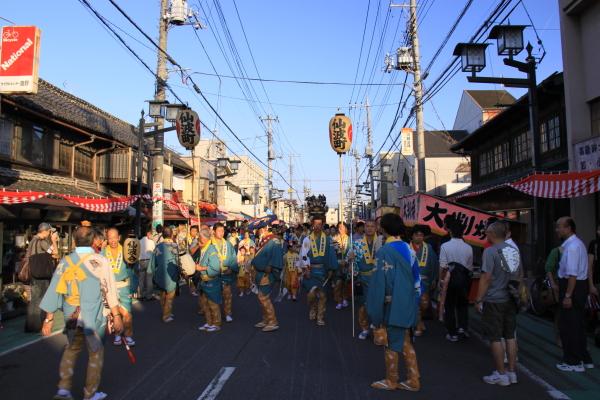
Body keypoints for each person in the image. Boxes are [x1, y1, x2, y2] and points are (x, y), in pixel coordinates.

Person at [40, 226, 123, 400]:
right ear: (93, 241)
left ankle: (64, 389)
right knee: (95, 352)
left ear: (74, 241)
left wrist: (48, 319)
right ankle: (90, 393)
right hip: (92, 315)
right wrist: (116, 316)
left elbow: (54, 290)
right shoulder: (100, 261)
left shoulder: (65, 261)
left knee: (71, 348)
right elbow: (110, 291)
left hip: (71, 314)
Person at [367, 213, 420, 392]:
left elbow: (378, 285)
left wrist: (375, 312)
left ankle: (392, 380)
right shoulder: (409, 249)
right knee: (405, 341)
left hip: (391, 304)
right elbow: (417, 279)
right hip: (407, 301)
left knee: (390, 343)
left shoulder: (384, 251)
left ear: (383, 229)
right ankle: (413, 379)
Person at [475, 222, 521, 386]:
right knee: (510, 336)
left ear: (493, 234)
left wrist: (479, 299)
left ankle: (501, 374)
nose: (486, 235)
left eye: (487, 232)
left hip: (494, 298)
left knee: (495, 337)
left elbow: (486, 277)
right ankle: (512, 372)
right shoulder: (513, 250)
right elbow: (519, 275)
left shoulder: (490, 251)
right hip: (510, 298)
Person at [555, 216, 594, 372]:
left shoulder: (572, 247)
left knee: (569, 326)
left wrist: (568, 295)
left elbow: (572, 274)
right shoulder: (577, 244)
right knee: (577, 325)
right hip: (579, 287)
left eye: (559, 227)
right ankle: (584, 358)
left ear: (568, 228)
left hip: (572, 287)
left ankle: (573, 361)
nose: (557, 230)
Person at [439, 218, 473, 342]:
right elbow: (469, 267)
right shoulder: (468, 247)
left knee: (449, 305)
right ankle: (463, 327)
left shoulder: (445, 246)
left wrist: (440, 280)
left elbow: (443, 266)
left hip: (449, 279)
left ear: (450, 231)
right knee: (462, 304)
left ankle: (452, 333)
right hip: (464, 279)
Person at [299, 215, 338, 326]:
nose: (317, 226)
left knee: (322, 295)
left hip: (323, 270)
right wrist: (306, 269)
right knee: (311, 294)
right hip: (311, 270)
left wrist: (331, 269)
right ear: (312, 225)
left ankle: (320, 316)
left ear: (322, 225)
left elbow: (331, 255)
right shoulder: (307, 239)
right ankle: (313, 308)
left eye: (319, 224)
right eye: (315, 224)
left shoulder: (327, 239)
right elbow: (303, 255)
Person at [102, 228, 135, 347]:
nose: (112, 240)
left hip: (124, 285)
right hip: (109, 287)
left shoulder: (127, 250)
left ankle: (128, 335)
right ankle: (117, 334)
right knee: (114, 313)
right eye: (110, 238)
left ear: (119, 237)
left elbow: (132, 269)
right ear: (107, 239)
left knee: (127, 314)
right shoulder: (102, 253)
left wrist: (134, 286)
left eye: (115, 237)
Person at [25, 222, 58, 332]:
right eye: (49, 232)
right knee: (42, 299)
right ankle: (39, 325)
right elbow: (55, 253)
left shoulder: (32, 241)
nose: (49, 234)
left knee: (34, 300)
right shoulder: (42, 242)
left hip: (34, 274)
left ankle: (31, 325)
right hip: (42, 275)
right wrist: (54, 240)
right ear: (45, 231)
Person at [348, 220, 378, 340]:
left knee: (377, 305)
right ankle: (364, 328)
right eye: (367, 226)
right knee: (362, 306)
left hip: (377, 279)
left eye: (372, 226)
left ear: (376, 228)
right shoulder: (357, 243)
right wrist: (350, 259)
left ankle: (377, 328)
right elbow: (351, 262)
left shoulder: (381, 243)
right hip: (362, 278)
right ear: (364, 228)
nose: (370, 228)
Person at [251, 222, 283, 332]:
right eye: (258, 230)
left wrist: (271, 266)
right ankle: (266, 319)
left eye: (260, 229)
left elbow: (277, 256)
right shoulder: (263, 240)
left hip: (267, 274)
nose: (258, 231)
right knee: (261, 298)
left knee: (263, 297)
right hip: (259, 273)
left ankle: (273, 321)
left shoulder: (274, 240)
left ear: (265, 228)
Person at [410, 225, 438, 336]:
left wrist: (434, 278)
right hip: (410, 280)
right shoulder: (406, 247)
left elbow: (434, 263)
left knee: (423, 304)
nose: (419, 237)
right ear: (412, 236)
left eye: (421, 235)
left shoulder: (429, 248)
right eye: (417, 235)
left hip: (425, 281)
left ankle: (419, 321)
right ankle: (417, 324)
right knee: (413, 303)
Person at [148, 226, 180, 323]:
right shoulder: (174, 246)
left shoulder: (158, 247)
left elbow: (152, 262)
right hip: (171, 273)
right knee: (170, 296)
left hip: (160, 273)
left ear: (162, 235)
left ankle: (166, 312)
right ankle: (166, 315)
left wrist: (151, 272)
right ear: (171, 234)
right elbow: (178, 260)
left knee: (162, 294)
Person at [197, 227, 223, 332]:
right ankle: (209, 322)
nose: (199, 240)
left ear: (204, 238)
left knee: (213, 303)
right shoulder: (205, 248)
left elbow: (215, 267)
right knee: (205, 303)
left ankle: (216, 323)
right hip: (204, 280)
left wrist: (201, 268)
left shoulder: (211, 249)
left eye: (199, 238)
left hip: (211, 280)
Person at [212, 223, 239, 323]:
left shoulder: (228, 244)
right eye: (219, 231)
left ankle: (227, 313)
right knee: (213, 297)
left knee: (227, 295)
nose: (221, 233)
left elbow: (233, 258)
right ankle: (215, 316)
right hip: (213, 274)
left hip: (225, 274)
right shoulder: (209, 244)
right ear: (214, 231)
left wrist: (231, 268)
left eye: (223, 231)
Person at [333, 222, 351, 310]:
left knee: (345, 283)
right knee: (338, 284)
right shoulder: (334, 239)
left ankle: (344, 298)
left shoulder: (349, 239)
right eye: (339, 227)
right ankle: (338, 300)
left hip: (346, 264)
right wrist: (337, 261)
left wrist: (346, 260)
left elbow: (351, 251)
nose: (341, 229)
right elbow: (332, 252)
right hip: (337, 264)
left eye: (343, 227)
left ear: (346, 229)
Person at [138, 230, 155, 301]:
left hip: (141, 261)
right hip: (149, 261)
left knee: (141, 279)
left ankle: (141, 295)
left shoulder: (139, 242)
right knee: (149, 279)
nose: (152, 236)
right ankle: (149, 296)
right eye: (151, 234)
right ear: (148, 234)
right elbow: (154, 251)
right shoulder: (151, 242)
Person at [237, 230, 255, 296]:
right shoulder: (241, 242)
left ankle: (248, 289)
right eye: (245, 234)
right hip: (241, 259)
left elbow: (253, 250)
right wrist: (238, 258)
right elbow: (239, 251)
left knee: (248, 277)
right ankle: (241, 291)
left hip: (249, 260)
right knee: (241, 277)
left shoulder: (252, 242)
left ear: (249, 235)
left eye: (247, 234)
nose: (246, 235)